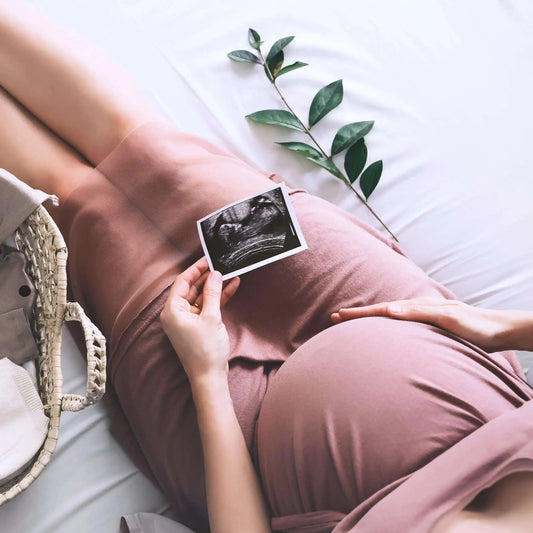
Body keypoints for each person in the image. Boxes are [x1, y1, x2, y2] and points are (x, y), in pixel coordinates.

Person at [1, 2, 532, 532]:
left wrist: (206, 373)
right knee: (149, 150)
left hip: (237, 433)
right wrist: (501, 326)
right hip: (383, 315)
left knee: (75, 205)